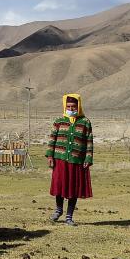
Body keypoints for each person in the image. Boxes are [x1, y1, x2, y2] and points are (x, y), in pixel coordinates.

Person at [45, 93, 93, 226]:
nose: (71, 109)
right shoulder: (59, 121)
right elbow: (52, 139)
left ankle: (69, 216)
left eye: (73, 107)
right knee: (60, 185)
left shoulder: (85, 122)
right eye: (68, 106)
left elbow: (89, 141)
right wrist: (50, 156)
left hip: (77, 160)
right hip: (60, 159)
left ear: (79, 106)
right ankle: (58, 210)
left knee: (74, 188)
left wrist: (88, 158)